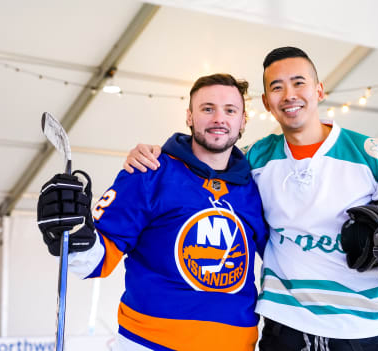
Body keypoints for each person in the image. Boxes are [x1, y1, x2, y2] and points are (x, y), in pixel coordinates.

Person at [123, 47, 378, 351]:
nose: (289, 95)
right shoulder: (253, 159)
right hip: (285, 328)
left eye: (299, 83)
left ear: (319, 90)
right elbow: (205, 163)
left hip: (367, 330)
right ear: (266, 102)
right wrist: (158, 154)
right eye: (277, 87)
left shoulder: (374, 157)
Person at [37, 73, 268, 351]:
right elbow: (95, 261)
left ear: (243, 120)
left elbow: (284, 256)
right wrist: (73, 234)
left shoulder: (255, 187)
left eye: (230, 110)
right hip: (150, 343)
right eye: (207, 109)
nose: (219, 118)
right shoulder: (149, 171)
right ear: (189, 116)